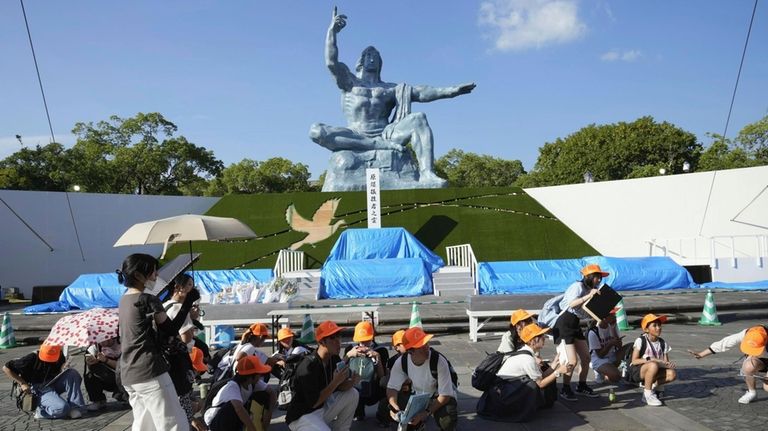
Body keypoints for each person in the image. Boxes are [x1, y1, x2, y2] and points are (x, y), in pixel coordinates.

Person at [310, 7, 476, 188]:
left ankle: (427, 174)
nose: (371, 58)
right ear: (360, 61)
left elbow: (423, 92)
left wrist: (452, 90)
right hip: (355, 135)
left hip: (386, 134)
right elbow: (331, 62)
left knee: (419, 119)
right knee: (316, 131)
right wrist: (332, 32)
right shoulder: (349, 82)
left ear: (380, 63)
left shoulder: (391, 89)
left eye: (375, 56)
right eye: (367, 55)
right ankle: (374, 145)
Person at [118, 253, 199, 431]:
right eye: (153, 272)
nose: (156, 276)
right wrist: (188, 303)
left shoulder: (124, 300)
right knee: (173, 424)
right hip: (150, 370)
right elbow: (170, 329)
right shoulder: (147, 299)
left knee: (145, 425)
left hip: (129, 373)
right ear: (139, 275)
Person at [479, 324, 570, 421]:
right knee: (532, 385)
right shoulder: (527, 359)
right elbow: (540, 384)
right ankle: (519, 411)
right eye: (541, 336)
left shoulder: (526, 353)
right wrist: (558, 372)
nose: (545, 338)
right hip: (502, 394)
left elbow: (541, 376)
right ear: (532, 341)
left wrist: (554, 365)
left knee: (534, 381)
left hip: (502, 390)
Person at [286, 320, 360, 431]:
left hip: (320, 409)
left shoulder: (333, 358)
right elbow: (314, 402)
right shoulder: (308, 365)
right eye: (332, 338)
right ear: (322, 342)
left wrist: (351, 382)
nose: (338, 341)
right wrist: (336, 382)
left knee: (352, 393)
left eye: (338, 337)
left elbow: (340, 387)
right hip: (302, 416)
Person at [386, 327, 457, 431]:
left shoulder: (439, 361)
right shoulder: (401, 362)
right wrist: (394, 407)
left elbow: (445, 395)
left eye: (426, 343)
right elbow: (391, 388)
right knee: (385, 406)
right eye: (421, 346)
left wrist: (426, 413)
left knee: (447, 420)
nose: (427, 348)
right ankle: (415, 425)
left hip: (437, 397)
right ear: (410, 351)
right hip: (416, 396)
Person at [552, 264, 605, 400]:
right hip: (564, 323)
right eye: (597, 277)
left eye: (600, 277)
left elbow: (585, 311)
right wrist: (588, 296)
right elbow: (571, 304)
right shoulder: (578, 286)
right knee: (572, 360)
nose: (599, 280)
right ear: (588, 277)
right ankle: (565, 388)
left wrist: (598, 316)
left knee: (586, 357)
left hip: (575, 323)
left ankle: (582, 385)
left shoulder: (591, 290)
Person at [164, 274, 205, 431]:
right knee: (185, 398)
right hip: (179, 361)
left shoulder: (166, 305)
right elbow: (186, 338)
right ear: (178, 287)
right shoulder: (179, 309)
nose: (191, 288)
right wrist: (190, 318)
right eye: (188, 285)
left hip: (167, 360)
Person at [3, 342, 86, 419]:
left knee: (72, 373)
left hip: (52, 381)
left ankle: (75, 407)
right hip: (37, 388)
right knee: (62, 408)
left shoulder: (59, 355)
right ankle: (41, 412)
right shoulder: (31, 358)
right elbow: (6, 368)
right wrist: (22, 383)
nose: (49, 360)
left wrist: (63, 367)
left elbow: (58, 370)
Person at [688, 324, 767, 404]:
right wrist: (701, 354)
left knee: (767, 387)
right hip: (760, 359)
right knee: (748, 366)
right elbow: (725, 342)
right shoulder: (750, 332)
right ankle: (752, 392)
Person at [204, 355, 273, 431]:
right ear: (251, 376)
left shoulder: (254, 383)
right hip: (217, 422)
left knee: (263, 395)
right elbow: (239, 409)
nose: (260, 376)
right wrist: (252, 428)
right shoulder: (232, 386)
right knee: (231, 407)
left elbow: (272, 393)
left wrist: (268, 414)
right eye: (259, 374)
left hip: (233, 419)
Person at [344, 321, 389, 421]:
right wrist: (348, 355)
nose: (363, 343)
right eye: (361, 340)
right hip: (355, 386)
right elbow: (340, 370)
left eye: (366, 340)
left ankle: (382, 415)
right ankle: (358, 412)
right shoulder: (349, 349)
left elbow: (382, 377)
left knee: (387, 390)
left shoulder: (381, 350)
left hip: (374, 387)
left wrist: (378, 358)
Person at [629, 314, 677, 407]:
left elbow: (665, 363)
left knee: (672, 374)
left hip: (654, 371)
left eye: (659, 325)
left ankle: (652, 385)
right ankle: (647, 395)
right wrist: (650, 359)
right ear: (646, 329)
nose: (658, 328)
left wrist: (668, 365)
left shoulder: (663, 343)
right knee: (653, 365)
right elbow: (634, 361)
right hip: (638, 371)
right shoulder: (641, 340)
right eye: (654, 325)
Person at [84, 336, 129, 411]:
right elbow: (88, 360)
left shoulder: (122, 343)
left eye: (106, 338)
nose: (104, 342)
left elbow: (123, 366)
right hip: (106, 377)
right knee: (90, 375)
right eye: (100, 339)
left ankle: (124, 396)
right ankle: (98, 400)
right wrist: (90, 361)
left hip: (122, 377)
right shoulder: (94, 346)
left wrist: (106, 360)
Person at [375, 329, 408, 426]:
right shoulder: (392, 362)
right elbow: (386, 382)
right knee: (384, 406)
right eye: (404, 343)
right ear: (396, 347)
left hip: (415, 392)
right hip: (399, 392)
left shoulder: (414, 355)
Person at [587, 310, 625, 384]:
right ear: (604, 318)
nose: (615, 317)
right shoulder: (594, 332)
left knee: (630, 347)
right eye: (612, 315)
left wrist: (613, 330)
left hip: (611, 355)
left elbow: (619, 346)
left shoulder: (613, 326)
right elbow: (600, 355)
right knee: (616, 376)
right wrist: (610, 344)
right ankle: (599, 370)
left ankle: (610, 369)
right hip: (599, 359)